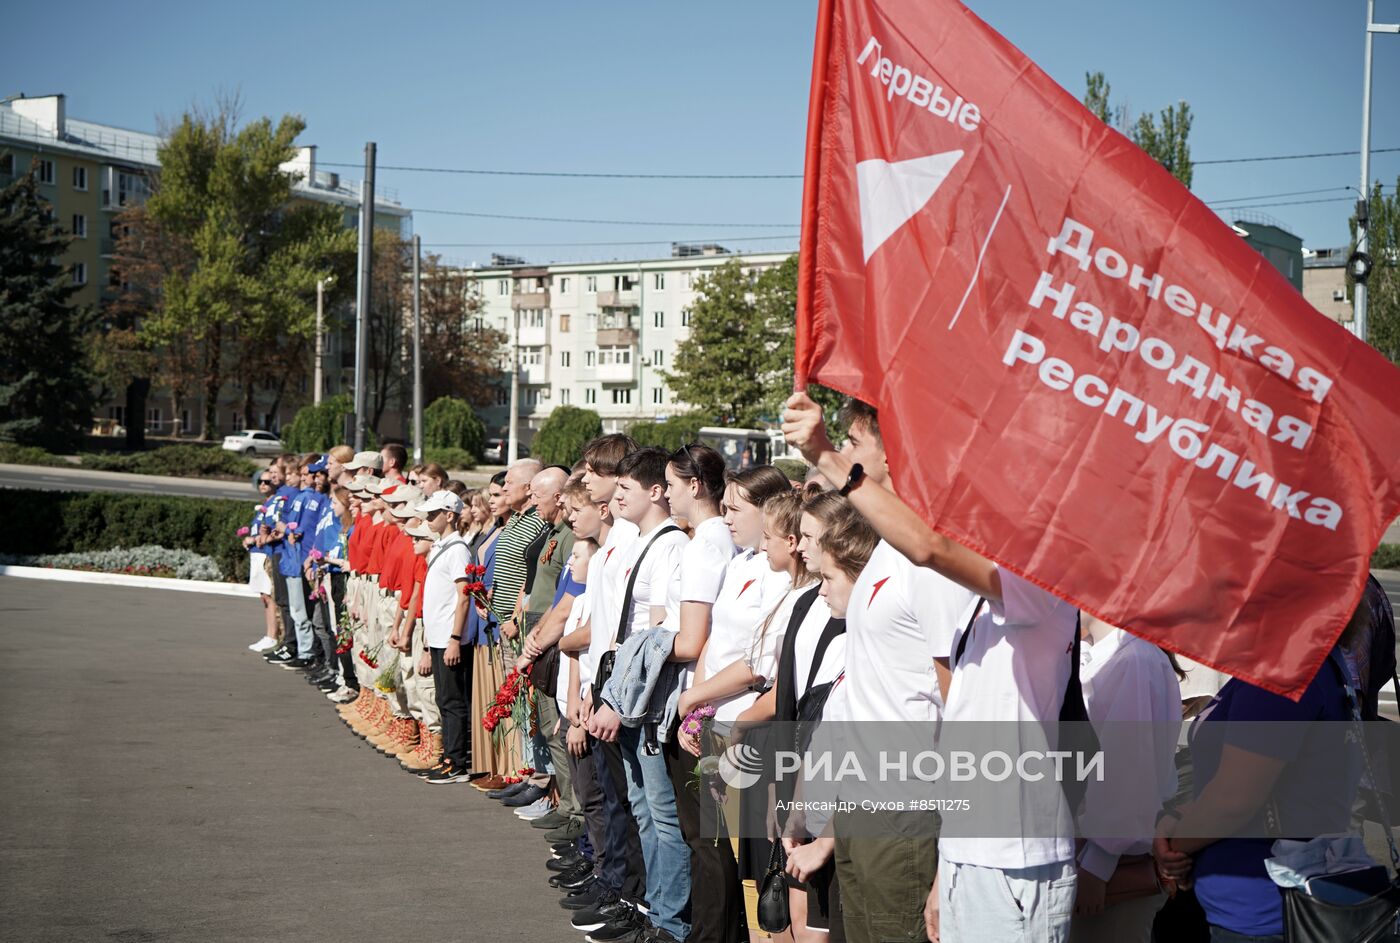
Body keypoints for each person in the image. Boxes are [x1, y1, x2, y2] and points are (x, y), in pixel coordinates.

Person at [783, 390, 1078, 943]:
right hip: (954, 835)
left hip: (1008, 847)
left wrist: (825, 455)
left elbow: (929, 549)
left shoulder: (1036, 576)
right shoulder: (920, 567)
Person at [1153, 597, 1374, 942]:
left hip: (1264, 909)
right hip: (1264, 902)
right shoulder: (1306, 659)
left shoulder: (1282, 669)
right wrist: (1178, 818)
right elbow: (1272, 784)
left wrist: (1174, 847)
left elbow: (1234, 799)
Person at [675, 464, 794, 942]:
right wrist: (697, 709)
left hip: (744, 724)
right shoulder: (743, 562)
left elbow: (757, 663)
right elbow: (716, 640)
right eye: (723, 506)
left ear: (769, 511)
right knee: (710, 848)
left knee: (741, 858)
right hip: (715, 718)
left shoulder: (777, 573)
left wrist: (695, 697)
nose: (723, 517)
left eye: (734, 508)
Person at [588, 447, 692, 943]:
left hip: (647, 699)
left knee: (660, 813)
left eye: (626, 489)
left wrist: (620, 699)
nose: (616, 497)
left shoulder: (671, 547)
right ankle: (655, 907)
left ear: (655, 493)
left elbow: (660, 637)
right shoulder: (643, 541)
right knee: (642, 808)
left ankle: (669, 920)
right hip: (627, 690)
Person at [782, 503, 879, 943]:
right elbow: (821, 742)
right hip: (822, 829)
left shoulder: (881, 663)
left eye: (830, 579)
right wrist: (798, 814)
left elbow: (877, 763)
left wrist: (826, 842)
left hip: (849, 839)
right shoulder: (847, 650)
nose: (821, 592)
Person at [1068, 616, 1182, 943]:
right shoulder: (1103, 652)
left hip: (1113, 859)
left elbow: (1129, 773)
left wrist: (1097, 866)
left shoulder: (1134, 658)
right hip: (1095, 849)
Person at [412, 489, 472, 781]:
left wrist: (454, 639)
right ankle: (448, 755)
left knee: (452, 700)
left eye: (434, 514)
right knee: (443, 699)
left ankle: (456, 761)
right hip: (436, 636)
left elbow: (463, 597)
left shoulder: (458, 549)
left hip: (448, 637)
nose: (428, 519)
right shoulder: (439, 547)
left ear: (450, 515)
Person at [245, 471, 279, 652]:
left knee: (269, 596)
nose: (263, 484)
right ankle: (270, 634)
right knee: (264, 596)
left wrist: (256, 538)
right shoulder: (265, 504)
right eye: (261, 481)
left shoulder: (275, 504)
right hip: (257, 553)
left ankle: (272, 635)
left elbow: (273, 531)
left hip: (266, 553)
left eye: (267, 481)